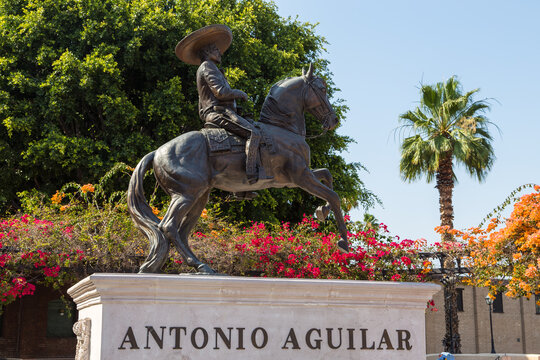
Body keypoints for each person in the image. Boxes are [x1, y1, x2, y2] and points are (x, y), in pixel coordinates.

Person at [175, 24, 270, 187]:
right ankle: (250, 177)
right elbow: (220, 92)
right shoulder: (207, 67)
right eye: (216, 50)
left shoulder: (208, 68)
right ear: (208, 52)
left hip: (222, 112)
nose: (220, 52)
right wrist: (239, 93)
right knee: (254, 134)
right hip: (218, 113)